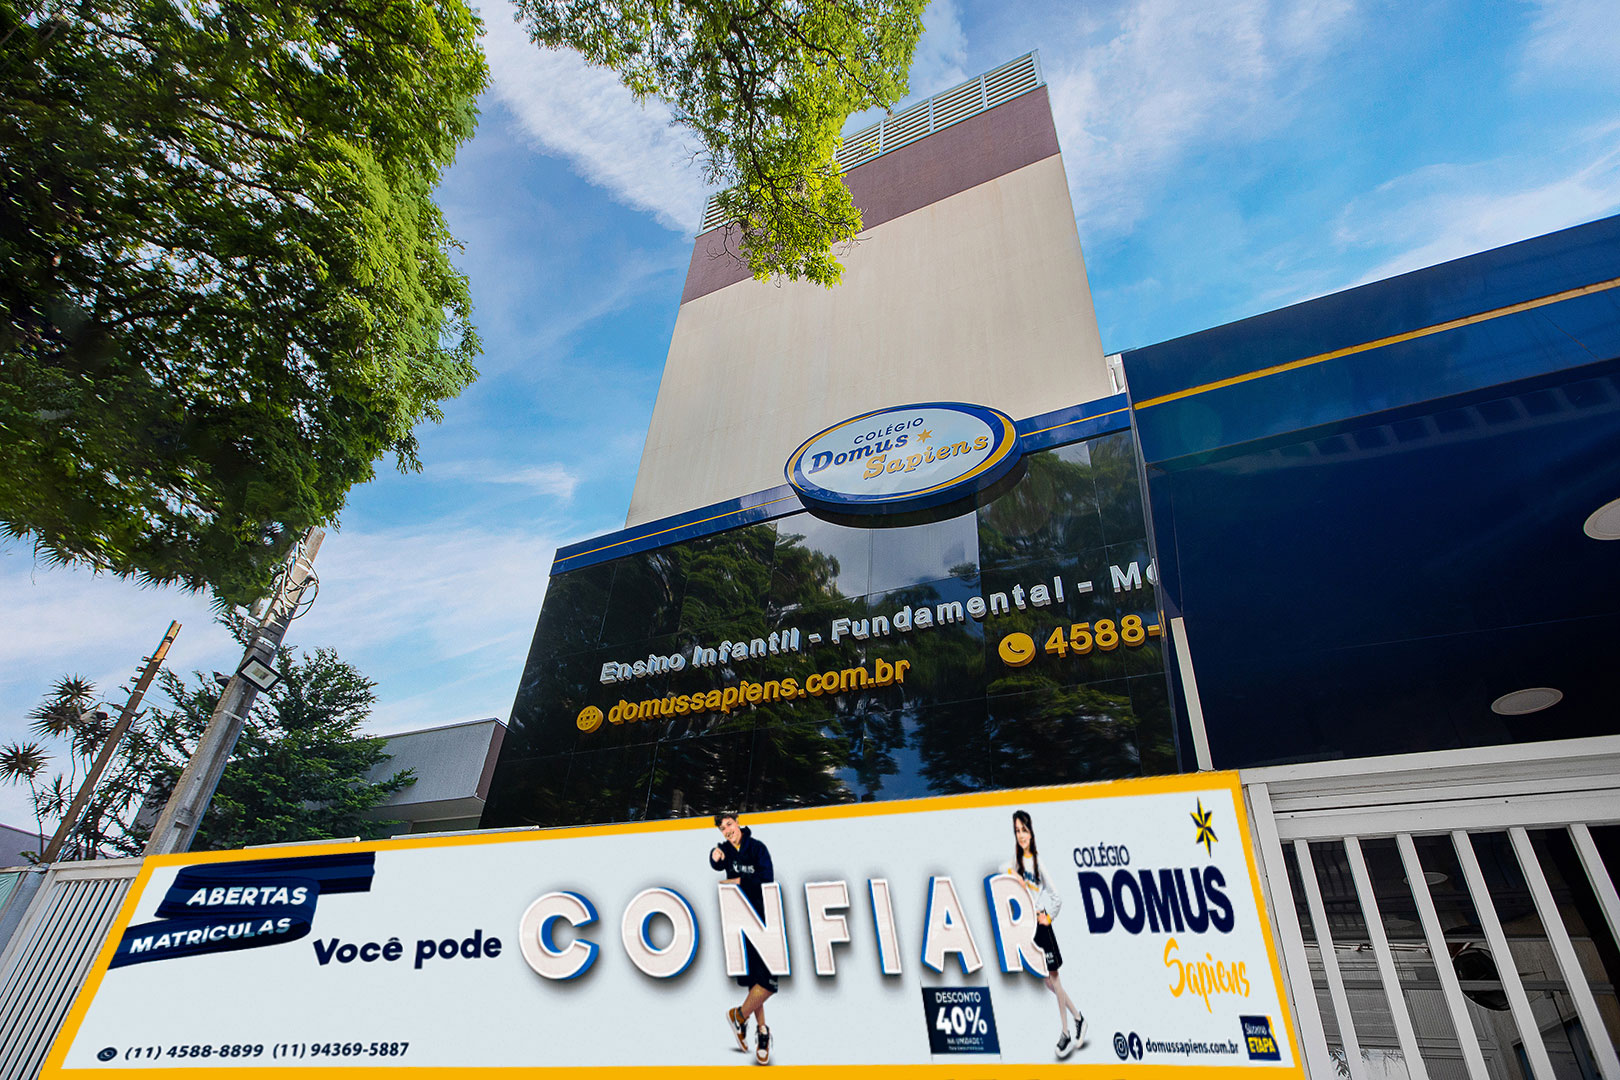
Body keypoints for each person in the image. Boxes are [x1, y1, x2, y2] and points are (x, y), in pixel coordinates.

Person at [1007, 809, 1087, 1058]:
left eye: (1024, 830)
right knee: (1047, 981)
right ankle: (1079, 1017)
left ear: (1031, 833)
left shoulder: (1037, 863)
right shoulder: (1016, 862)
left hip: (1042, 926)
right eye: (1017, 831)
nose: (1021, 835)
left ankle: (1065, 1032)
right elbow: (1005, 874)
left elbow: (1057, 896)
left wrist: (1048, 917)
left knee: (1055, 978)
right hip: (1029, 926)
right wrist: (1015, 879)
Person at [711, 812, 777, 1065]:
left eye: (729, 824)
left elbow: (767, 878)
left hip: (761, 919)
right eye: (722, 828)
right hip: (738, 918)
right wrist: (714, 856)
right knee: (754, 980)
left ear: (738, 822)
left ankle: (738, 1016)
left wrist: (740, 880)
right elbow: (716, 863)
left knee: (769, 982)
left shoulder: (758, 848)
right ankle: (762, 1031)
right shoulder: (726, 850)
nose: (727, 830)